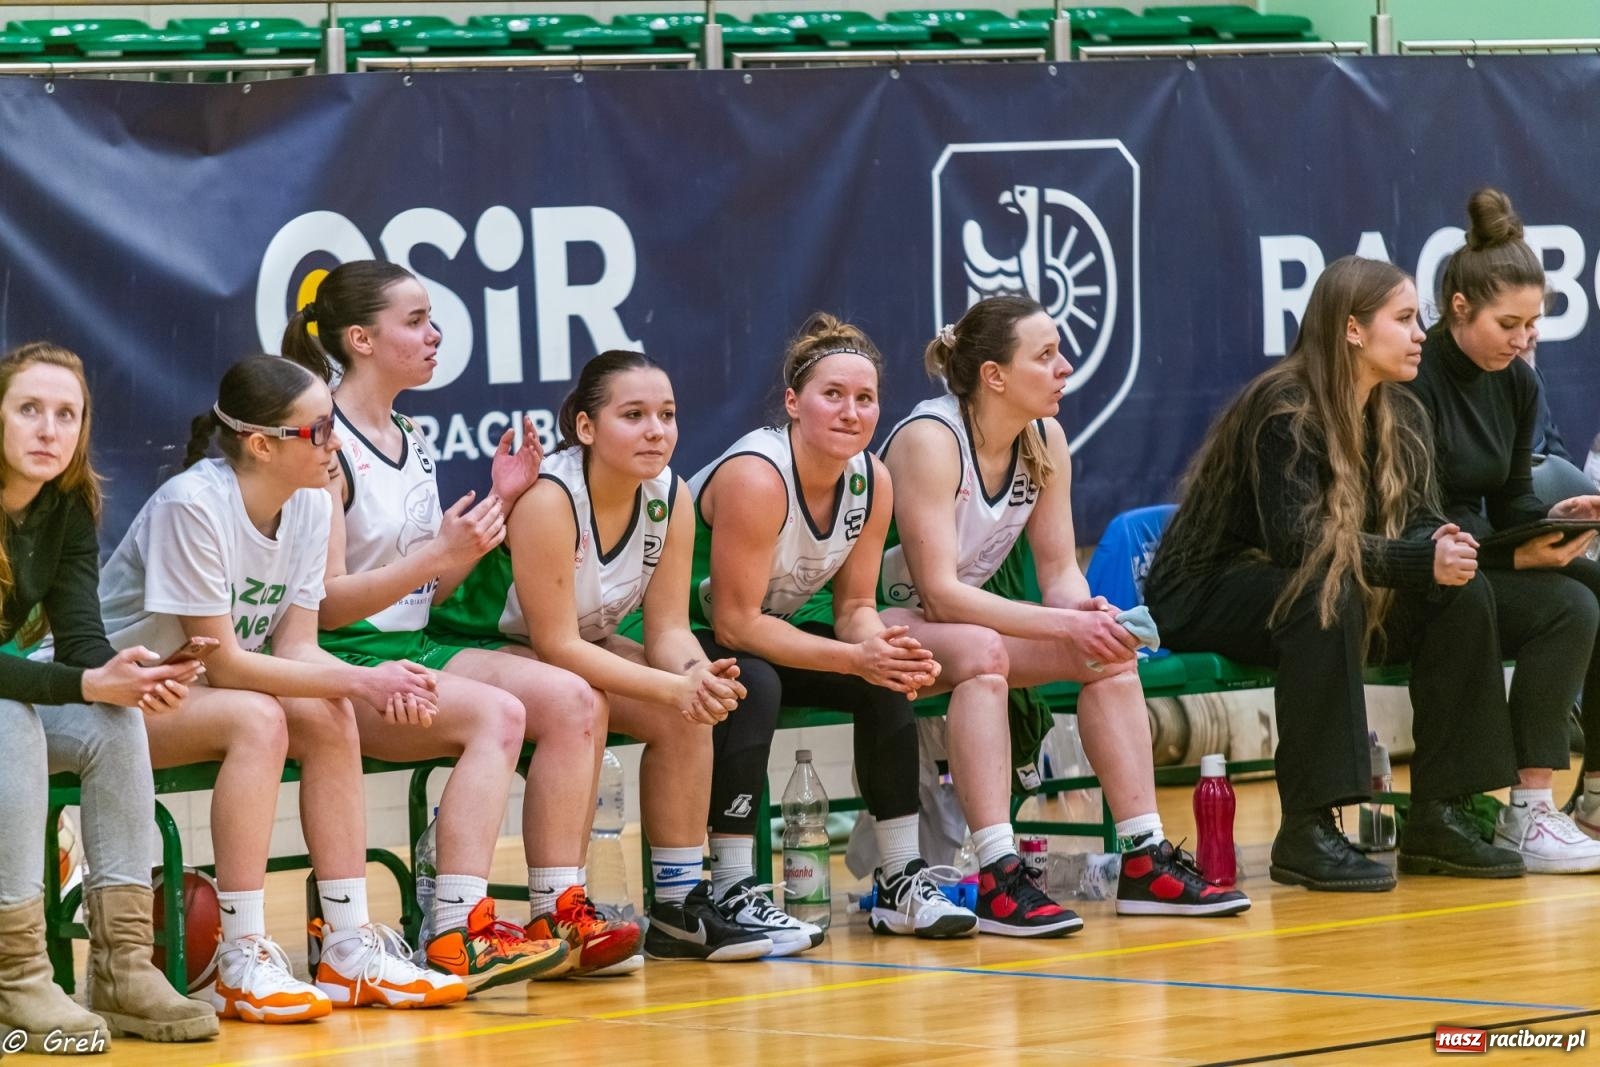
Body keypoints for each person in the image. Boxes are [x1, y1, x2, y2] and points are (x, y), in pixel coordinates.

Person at [1146, 256, 1534, 890]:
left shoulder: (1401, 411)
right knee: (1324, 596)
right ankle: (1307, 828)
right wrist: (1416, 559)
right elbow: (1300, 541)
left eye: (1420, 320)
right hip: (1209, 586)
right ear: (1353, 330)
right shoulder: (1284, 404)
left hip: (1320, 582)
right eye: (1405, 319)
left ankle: (1442, 814)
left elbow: (1415, 519)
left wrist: (1438, 541)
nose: (1420, 335)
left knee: (1462, 593)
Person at [96, 356, 465, 1021]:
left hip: (192, 690)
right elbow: (232, 665)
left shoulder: (310, 507)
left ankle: (349, 946)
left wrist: (361, 687)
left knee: (326, 712)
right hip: (114, 698)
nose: (338, 442)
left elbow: (296, 646)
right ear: (262, 444)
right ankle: (242, 955)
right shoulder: (193, 504)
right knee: (259, 718)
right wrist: (362, 678)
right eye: (320, 429)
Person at [879, 295, 1249, 930]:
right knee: (984, 655)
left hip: (952, 625)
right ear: (994, 376)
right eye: (1045, 355)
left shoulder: (1044, 437)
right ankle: (997, 873)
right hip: (872, 620)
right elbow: (939, 593)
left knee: (1107, 653)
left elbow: (1057, 572)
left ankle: (1144, 858)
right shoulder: (930, 439)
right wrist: (1064, 623)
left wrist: (1088, 612)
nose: (1065, 367)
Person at [281, 260, 603, 987]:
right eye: (417, 320)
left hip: (412, 642)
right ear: (361, 338)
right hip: (343, 660)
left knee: (576, 698)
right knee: (497, 715)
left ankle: (559, 912)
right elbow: (326, 602)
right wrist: (437, 552)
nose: (436, 333)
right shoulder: (327, 447)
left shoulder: (410, 432)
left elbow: (426, 584)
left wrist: (498, 503)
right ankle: (457, 928)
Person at [431, 351, 778, 962]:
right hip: (478, 644)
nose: (656, 430)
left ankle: (677, 904)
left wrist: (694, 673)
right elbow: (557, 645)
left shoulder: (673, 494)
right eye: (634, 415)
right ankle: (556, 909)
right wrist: (668, 685)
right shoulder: (550, 497)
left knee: (689, 707)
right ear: (586, 428)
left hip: (568, 646)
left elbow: (669, 626)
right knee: (593, 698)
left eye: (667, 415)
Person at [689, 312, 977, 940]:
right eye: (833, 395)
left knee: (887, 677)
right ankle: (732, 886)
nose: (852, 412)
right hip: (677, 633)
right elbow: (735, 625)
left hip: (766, 631)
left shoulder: (872, 479)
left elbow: (853, 610)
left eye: (866, 398)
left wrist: (883, 649)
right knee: (753, 682)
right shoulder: (757, 475)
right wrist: (855, 658)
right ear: (794, 403)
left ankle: (900, 880)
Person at [0, 342, 218, 1050]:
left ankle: (124, 965)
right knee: (12, 720)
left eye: (67, 414)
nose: (48, 430)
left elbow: (83, 645)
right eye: (28, 409)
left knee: (115, 722)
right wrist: (92, 679)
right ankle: (18, 974)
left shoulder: (65, 506)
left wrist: (136, 672)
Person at [1406, 189, 1600, 867]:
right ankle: (1530, 807)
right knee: (1569, 605)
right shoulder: (1415, 377)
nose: (1522, 341)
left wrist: (1556, 519)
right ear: (1459, 310)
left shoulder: (1516, 382)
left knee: (1595, 576)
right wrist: (1516, 558)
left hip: (1481, 549)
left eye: (1532, 326)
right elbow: (1417, 513)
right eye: (1508, 324)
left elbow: (1512, 499)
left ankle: (1595, 791)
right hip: (1423, 562)